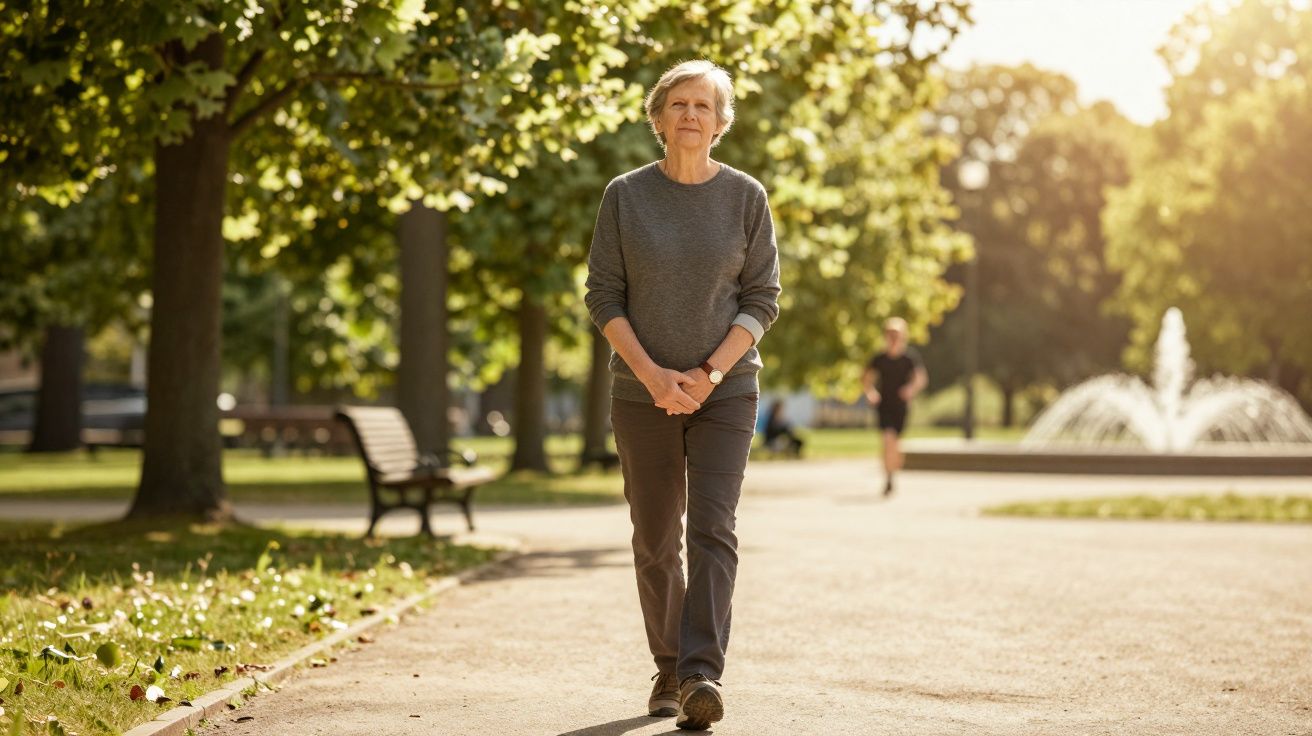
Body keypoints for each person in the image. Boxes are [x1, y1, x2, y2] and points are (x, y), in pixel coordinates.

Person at [584, 59, 781, 731]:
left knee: (714, 529)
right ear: (659, 117)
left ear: (721, 122)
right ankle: (667, 666)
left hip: (725, 392)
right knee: (655, 536)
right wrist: (652, 376)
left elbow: (763, 299)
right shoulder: (625, 196)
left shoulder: (747, 197)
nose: (690, 114)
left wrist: (707, 376)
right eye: (679, 103)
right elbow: (603, 295)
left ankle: (701, 675)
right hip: (641, 395)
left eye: (703, 105)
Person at [862, 317, 927, 496]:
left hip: (901, 406)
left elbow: (920, 378)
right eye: (890, 334)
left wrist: (910, 390)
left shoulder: (909, 358)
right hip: (884, 405)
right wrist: (871, 393)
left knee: (895, 443)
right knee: (887, 439)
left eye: (896, 334)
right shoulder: (879, 358)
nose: (893, 338)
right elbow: (866, 379)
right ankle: (889, 477)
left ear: (903, 336)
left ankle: (893, 470)